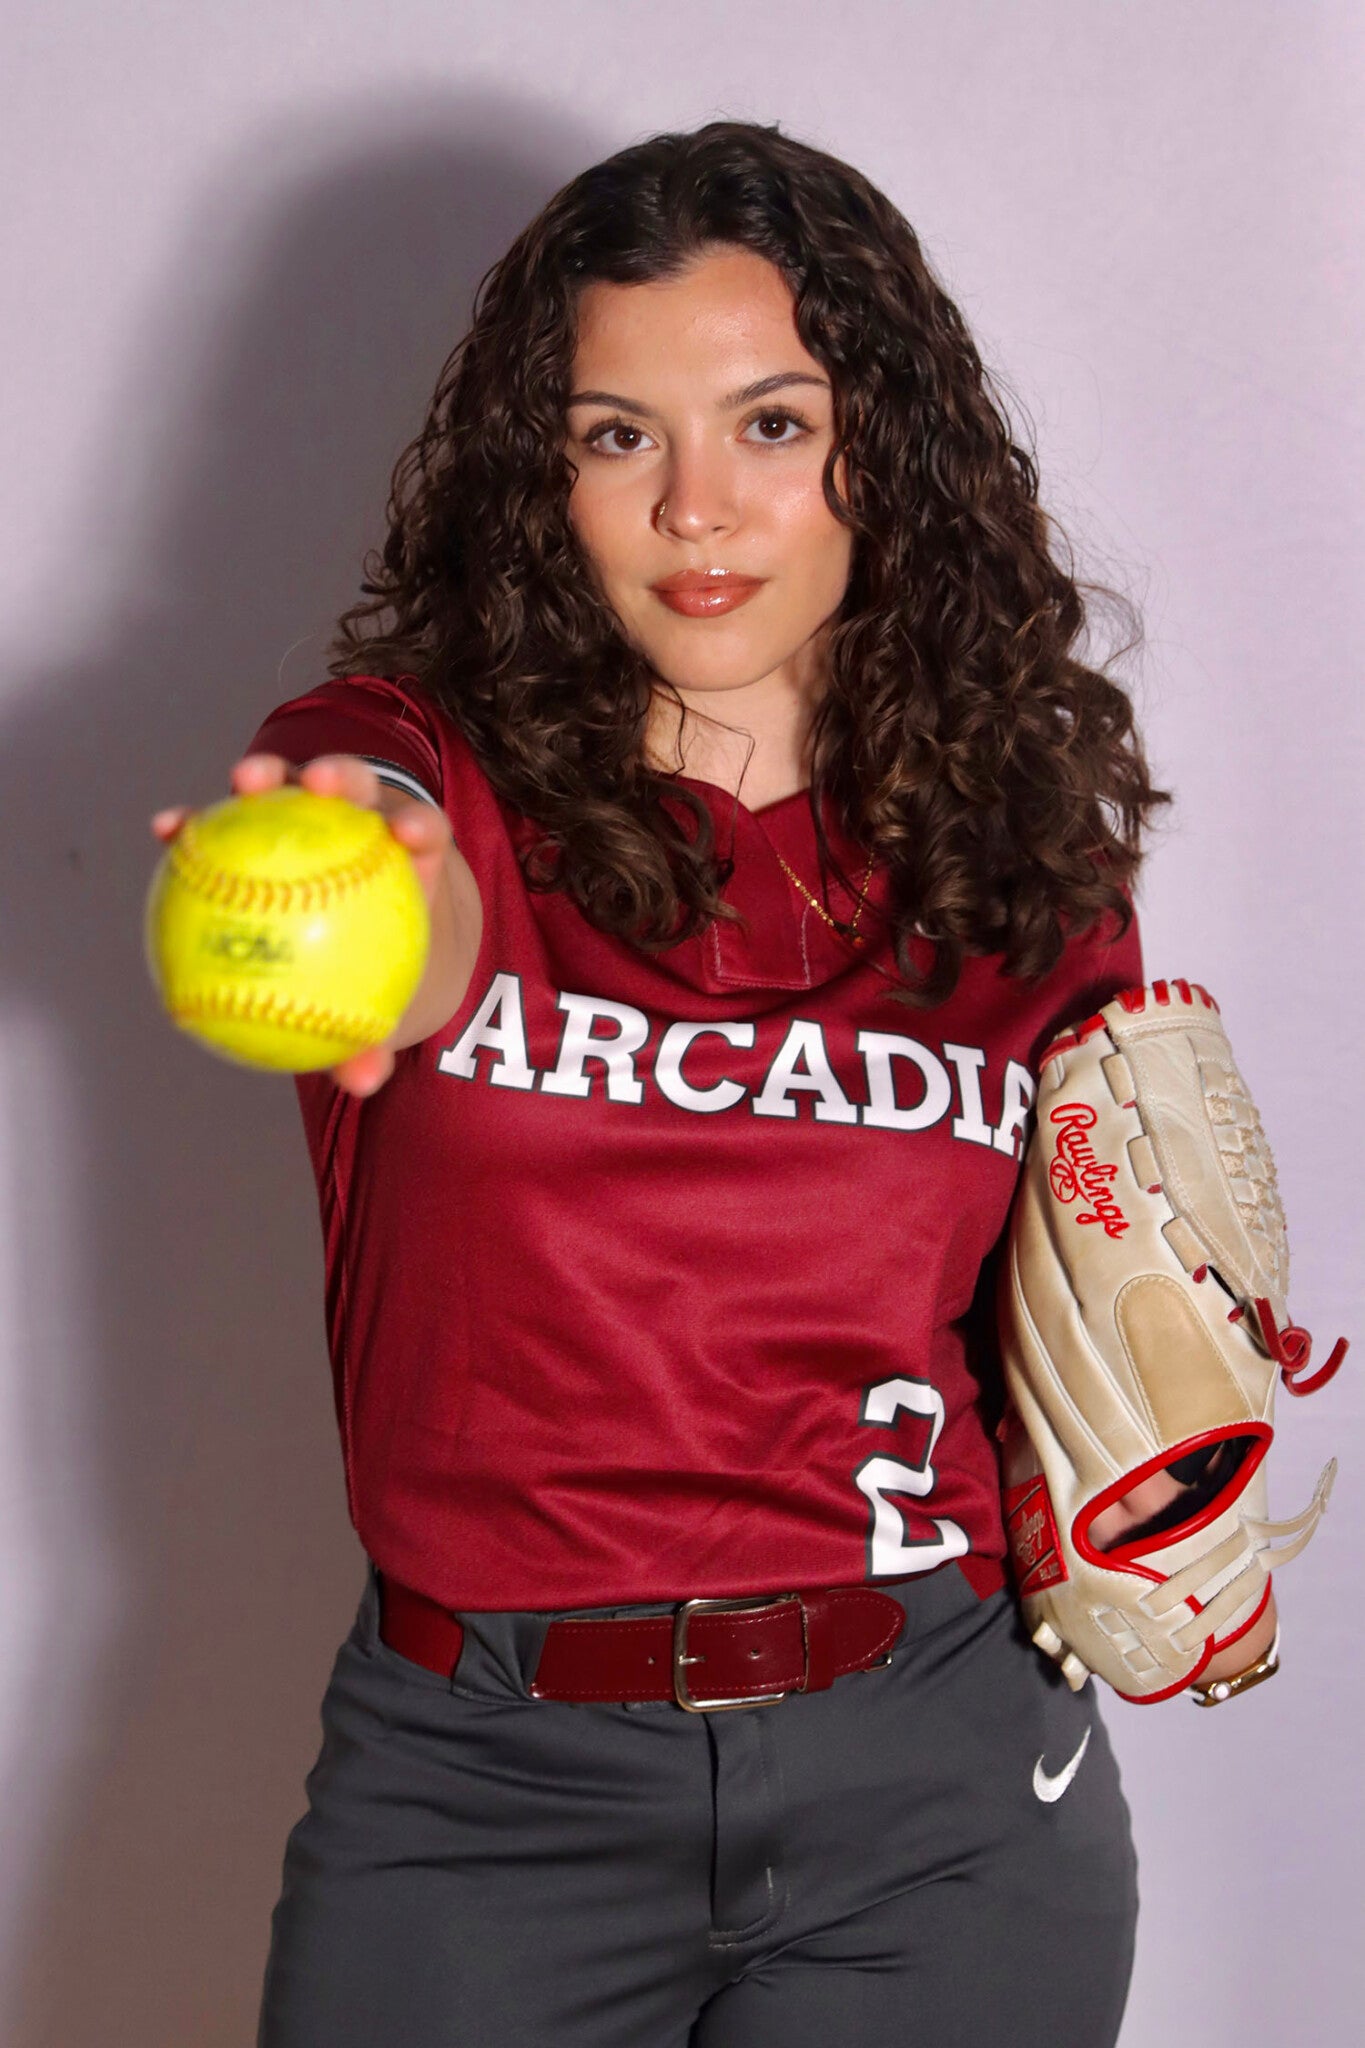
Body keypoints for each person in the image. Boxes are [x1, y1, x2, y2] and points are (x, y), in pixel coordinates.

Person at [154, 120, 1276, 2047]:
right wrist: (375, 876)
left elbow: (1086, 1294)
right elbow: (391, 862)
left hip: (941, 1793)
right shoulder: (410, 771)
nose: (697, 511)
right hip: (478, 1791)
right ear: (543, 476)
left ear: (881, 448)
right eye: (615, 437)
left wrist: (1164, 1464)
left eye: (768, 424)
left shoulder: (1012, 853)